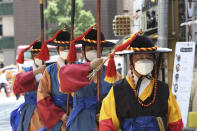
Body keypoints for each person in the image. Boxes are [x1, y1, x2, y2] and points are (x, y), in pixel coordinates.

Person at [99, 33, 184, 131]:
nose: (144, 61)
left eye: (148, 58)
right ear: (131, 60)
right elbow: (107, 124)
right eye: (140, 57)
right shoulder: (117, 90)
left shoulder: (164, 90)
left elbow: (175, 124)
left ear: (154, 61)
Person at [58, 28, 122, 131]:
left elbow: (121, 101)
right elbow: (63, 75)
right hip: (80, 122)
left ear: (101, 51)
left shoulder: (114, 75)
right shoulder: (74, 70)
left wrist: (107, 112)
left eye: (96, 48)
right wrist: (89, 66)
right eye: (89, 49)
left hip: (104, 122)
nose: (93, 51)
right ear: (82, 52)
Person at [36, 27, 73, 131]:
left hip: (77, 115)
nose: (66, 50)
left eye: (68, 47)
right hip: (57, 117)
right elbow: (42, 97)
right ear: (57, 50)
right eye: (62, 48)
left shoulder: (78, 67)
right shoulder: (49, 71)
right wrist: (59, 114)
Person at [10, 40, 45, 131]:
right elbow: (19, 79)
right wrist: (36, 72)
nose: (38, 57)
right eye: (36, 55)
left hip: (48, 110)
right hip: (32, 111)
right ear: (33, 57)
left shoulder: (50, 69)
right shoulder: (27, 70)